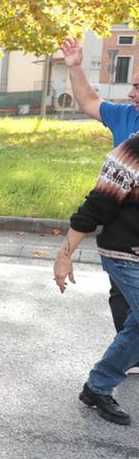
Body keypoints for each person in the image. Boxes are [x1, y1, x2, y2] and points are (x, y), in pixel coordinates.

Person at [61, 36, 139, 367]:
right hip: (124, 231)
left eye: (138, 86)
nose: (131, 92)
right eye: (133, 84)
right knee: (123, 295)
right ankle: (124, 361)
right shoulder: (125, 117)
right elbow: (88, 101)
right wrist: (76, 67)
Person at [54, 132, 139, 425]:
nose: (132, 94)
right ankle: (99, 386)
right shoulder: (131, 151)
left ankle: (97, 387)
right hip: (125, 253)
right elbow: (96, 207)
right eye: (134, 87)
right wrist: (64, 255)